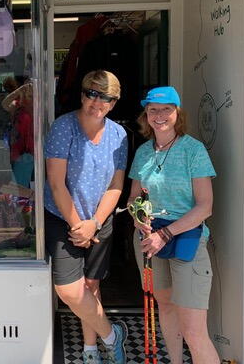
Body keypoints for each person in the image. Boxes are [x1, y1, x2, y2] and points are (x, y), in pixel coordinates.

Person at [128, 86, 220, 364]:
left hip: (185, 237)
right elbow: (134, 197)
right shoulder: (144, 152)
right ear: (146, 114)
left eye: (166, 109)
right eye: (153, 109)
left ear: (177, 113)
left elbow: (205, 206)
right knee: (165, 308)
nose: (159, 115)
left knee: (193, 331)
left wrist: (165, 234)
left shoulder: (193, 150)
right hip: (150, 239)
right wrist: (138, 217)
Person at [44, 70, 128, 364]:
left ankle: (90, 350)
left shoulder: (119, 135)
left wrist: (94, 223)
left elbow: (116, 185)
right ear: (82, 94)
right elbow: (56, 182)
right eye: (91, 93)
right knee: (69, 289)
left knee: (92, 286)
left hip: (99, 220)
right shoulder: (63, 127)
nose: (97, 101)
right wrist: (77, 224)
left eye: (105, 97)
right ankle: (112, 335)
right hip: (63, 218)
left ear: (114, 102)